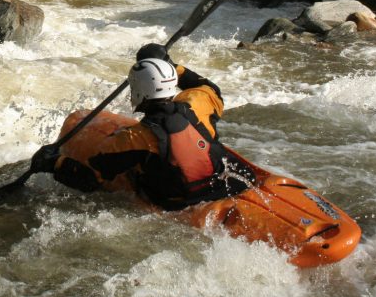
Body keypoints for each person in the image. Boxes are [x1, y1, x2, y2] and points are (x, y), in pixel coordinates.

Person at [30, 43, 254, 210]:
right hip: (222, 185)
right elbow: (209, 86)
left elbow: (89, 180)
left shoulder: (135, 139)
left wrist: (53, 163)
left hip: (177, 202)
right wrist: (171, 65)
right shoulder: (197, 104)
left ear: (138, 92)